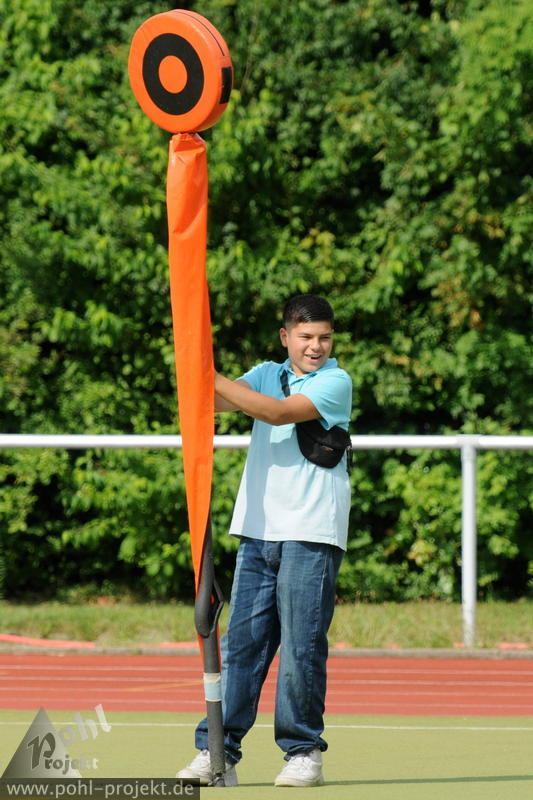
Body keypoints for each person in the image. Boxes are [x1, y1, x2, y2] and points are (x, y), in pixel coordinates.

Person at [177, 294, 352, 787]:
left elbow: (275, 414)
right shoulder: (265, 373)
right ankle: (218, 750)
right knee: (242, 647)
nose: (316, 346)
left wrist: (206, 375)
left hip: (311, 532)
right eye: (306, 336)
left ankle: (303, 751)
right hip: (258, 531)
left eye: (324, 337)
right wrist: (194, 365)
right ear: (285, 337)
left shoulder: (335, 381)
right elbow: (215, 400)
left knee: (300, 647)